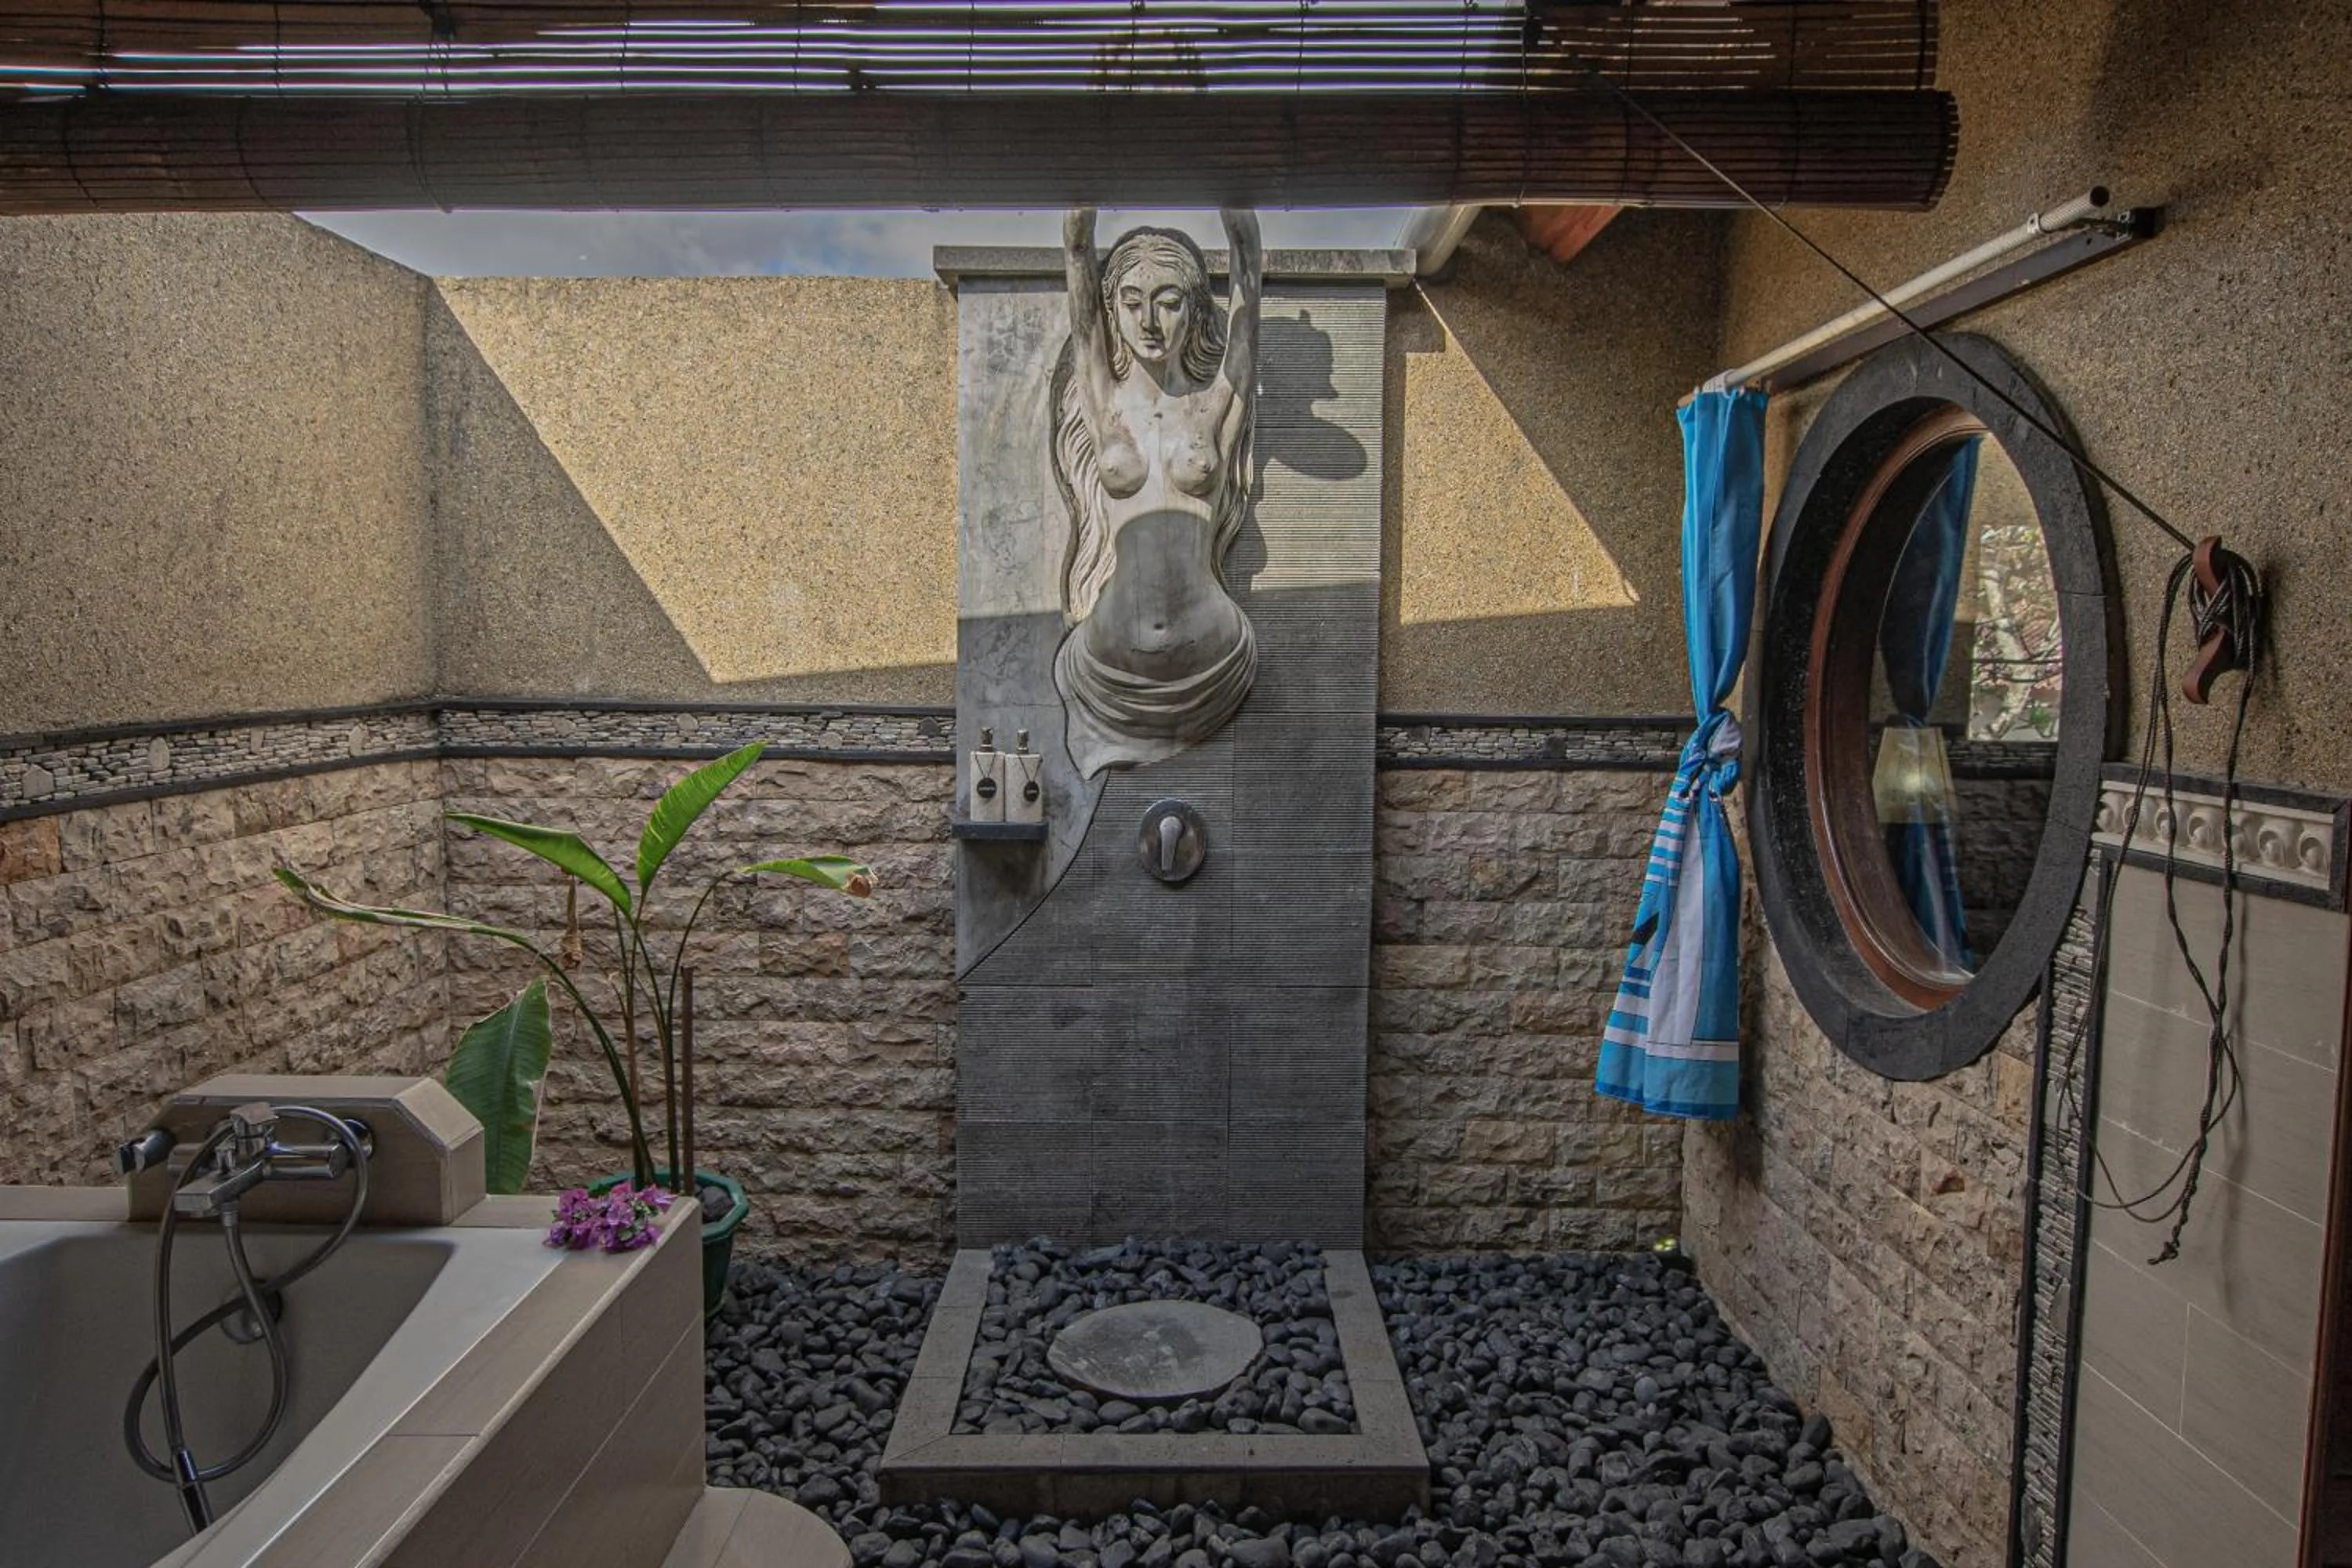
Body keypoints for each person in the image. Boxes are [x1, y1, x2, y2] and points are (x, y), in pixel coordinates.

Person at [1051, 207, 1261, 777]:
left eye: (1168, 303)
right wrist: (1081, 210)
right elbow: (1077, 264)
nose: (1149, 322)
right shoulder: (1106, 404)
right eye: (1131, 303)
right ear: (1113, 310)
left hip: (1213, 661)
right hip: (1106, 670)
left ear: (1194, 312)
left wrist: (1239, 198)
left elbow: (1248, 296)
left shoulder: (1212, 407)